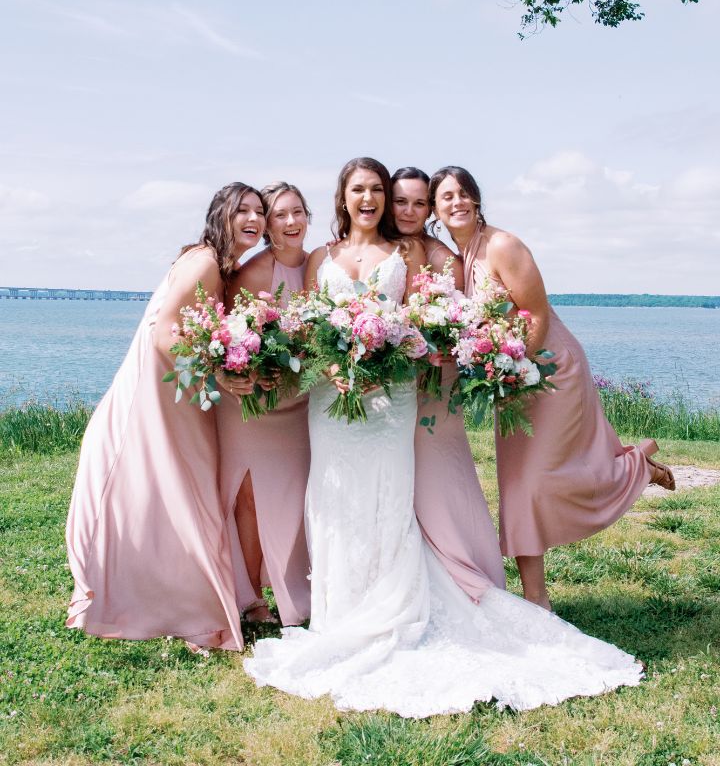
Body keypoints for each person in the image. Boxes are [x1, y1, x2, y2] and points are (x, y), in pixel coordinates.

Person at [244, 157, 643, 718]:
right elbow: (312, 324)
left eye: (378, 190)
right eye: (359, 190)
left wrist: (405, 345)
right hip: (333, 396)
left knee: (387, 493)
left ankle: (394, 604)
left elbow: (428, 314)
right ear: (342, 197)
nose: (370, 199)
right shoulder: (320, 258)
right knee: (335, 494)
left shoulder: (408, 253)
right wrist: (330, 364)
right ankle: (341, 613)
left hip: (393, 394)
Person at [429, 165, 675, 611]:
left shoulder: (502, 245)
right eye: (446, 196)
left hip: (550, 369)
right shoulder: (460, 256)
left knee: (536, 480)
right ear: (435, 208)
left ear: (477, 200)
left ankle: (637, 466)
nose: (457, 202)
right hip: (509, 377)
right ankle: (537, 600)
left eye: (464, 193)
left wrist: (514, 368)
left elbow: (536, 315)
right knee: (518, 484)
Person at [65, 182, 266, 649]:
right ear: (222, 214)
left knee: (183, 489)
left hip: (180, 390)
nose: (253, 218)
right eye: (243, 210)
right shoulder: (204, 261)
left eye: (260, 210)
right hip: (162, 392)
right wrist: (218, 370)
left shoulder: (221, 263)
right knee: (179, 491)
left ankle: (198, 591)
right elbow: (164, 332)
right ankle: (188, 602)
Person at [391, 166, 505, 598]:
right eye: (402, 201)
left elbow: (452, 322)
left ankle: (466, 575)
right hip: (387, 382)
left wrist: (428, 344)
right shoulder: (380, 248)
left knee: (440, 473)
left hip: (433, 379)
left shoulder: (444, 258)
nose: (410, 210)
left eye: (420, 203)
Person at [217, 181, 312, 626]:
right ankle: (252, 599)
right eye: (279, 215)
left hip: (299, 402)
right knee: (251, 497)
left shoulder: (319, 266)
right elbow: (227, 339)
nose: (290, 223)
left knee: (294, 495)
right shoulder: (254, 271)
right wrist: (244, 371)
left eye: (297, 212)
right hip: (253, 402)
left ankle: (297, 584)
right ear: (268, 225)